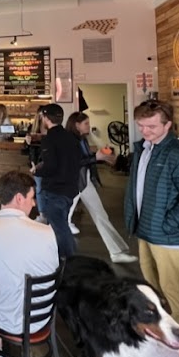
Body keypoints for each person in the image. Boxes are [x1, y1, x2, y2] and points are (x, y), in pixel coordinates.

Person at [124, 99, 179, 357]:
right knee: (156, 292)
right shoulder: (145, 149)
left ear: (168, 125)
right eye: (141, 125)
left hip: (169, 238)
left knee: (177, 293)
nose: (145, 131)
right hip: (147, 232)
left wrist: (166, 225)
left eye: (151, 126)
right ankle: (165, 338)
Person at [0, 170, 59, 357]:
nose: (34, 203)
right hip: (41, 319)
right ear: (19, 198)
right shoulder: (48, 232)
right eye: (32, 197)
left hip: (6, 322)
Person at [65, 112, 137, 264]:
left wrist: (99, 156)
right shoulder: (69, 141)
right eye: (86, 123)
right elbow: (73, 162)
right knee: (61, 219)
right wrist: (96, 157)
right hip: (74, 183)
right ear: (77, 125)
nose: (89, 126)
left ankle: (116, 252)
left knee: (100, 215)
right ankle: (53, 253)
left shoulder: (82, 139)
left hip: (83, 182)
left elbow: (84, 159)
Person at [32, 103, 80, 259]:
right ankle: (62, 257)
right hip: (70, 188)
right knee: (61, 225)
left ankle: (69, 260)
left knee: (59, 228)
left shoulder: (49, 139)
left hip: (55, 190)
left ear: (46, 118)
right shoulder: (71, 137)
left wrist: (37, 170)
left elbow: (50, 167)